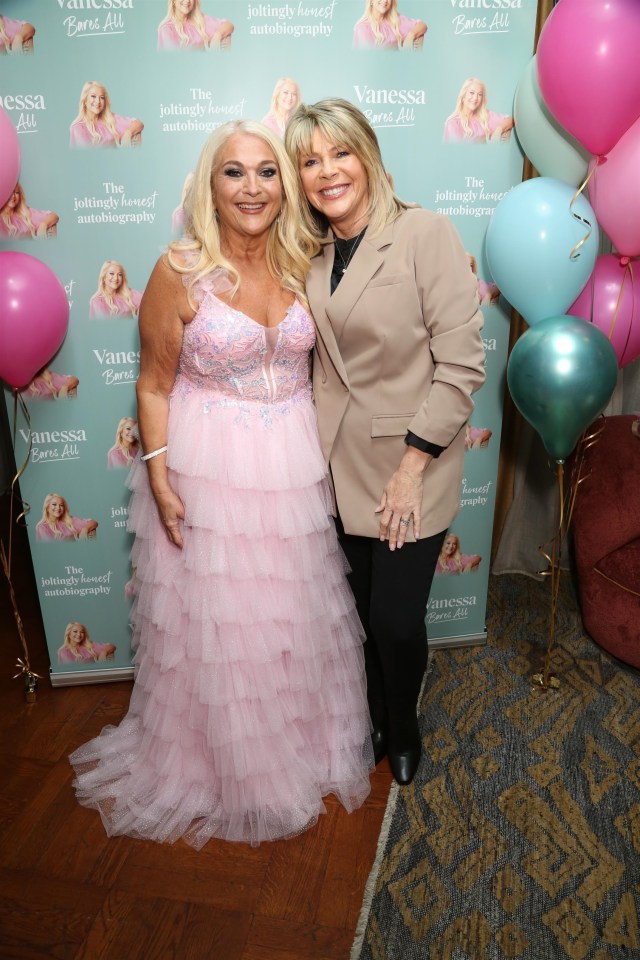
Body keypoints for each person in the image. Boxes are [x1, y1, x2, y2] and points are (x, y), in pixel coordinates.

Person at [69, 119, 374, 848]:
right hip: (210, 465)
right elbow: (151, 384)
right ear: (210, 185)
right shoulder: (180, 269)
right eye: (234, 172)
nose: (252, 188)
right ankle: (225, 769)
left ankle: (296, 751)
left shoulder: (305, 257)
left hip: (294, 462)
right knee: (222, 626)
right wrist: (162, 478)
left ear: (286, 185)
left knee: (289, 617)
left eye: (267, 171)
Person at [285, 98, 486, 785]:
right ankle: (374, 712)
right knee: (362, 618)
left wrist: (411, 467)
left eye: (339, 153)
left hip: (410, 463)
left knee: (396, 620)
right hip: (336, 467)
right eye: (310, 161)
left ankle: (403, 722)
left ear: (366, 156)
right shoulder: (307, 252)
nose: (326, 171)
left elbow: (461, 368)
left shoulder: (423, 232)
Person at [69, 81, 144, 148]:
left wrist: (128, 133)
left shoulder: (110, 119)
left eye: (102, 97)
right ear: (85, 100)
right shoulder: (77, 127)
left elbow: (139, 123)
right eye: (93, 96)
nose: (98, 101)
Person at [443, 78, 513, 143]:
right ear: (463, 96)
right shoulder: (453, 123)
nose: (475, 98)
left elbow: (510, 120)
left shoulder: (485, 116)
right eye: (471, 93)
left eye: (479, 94)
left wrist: (499, 130)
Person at [157, 0, 234, 50]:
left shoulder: (199, 21)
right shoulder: (166, 29)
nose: (187, 1)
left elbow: (229, 25)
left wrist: (218, 35)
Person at [353, 0, 427, 50]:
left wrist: (411, 35)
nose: (385, 1)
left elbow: (422, 25)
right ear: (371, 1)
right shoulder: (363, 28)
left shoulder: (394, 20)